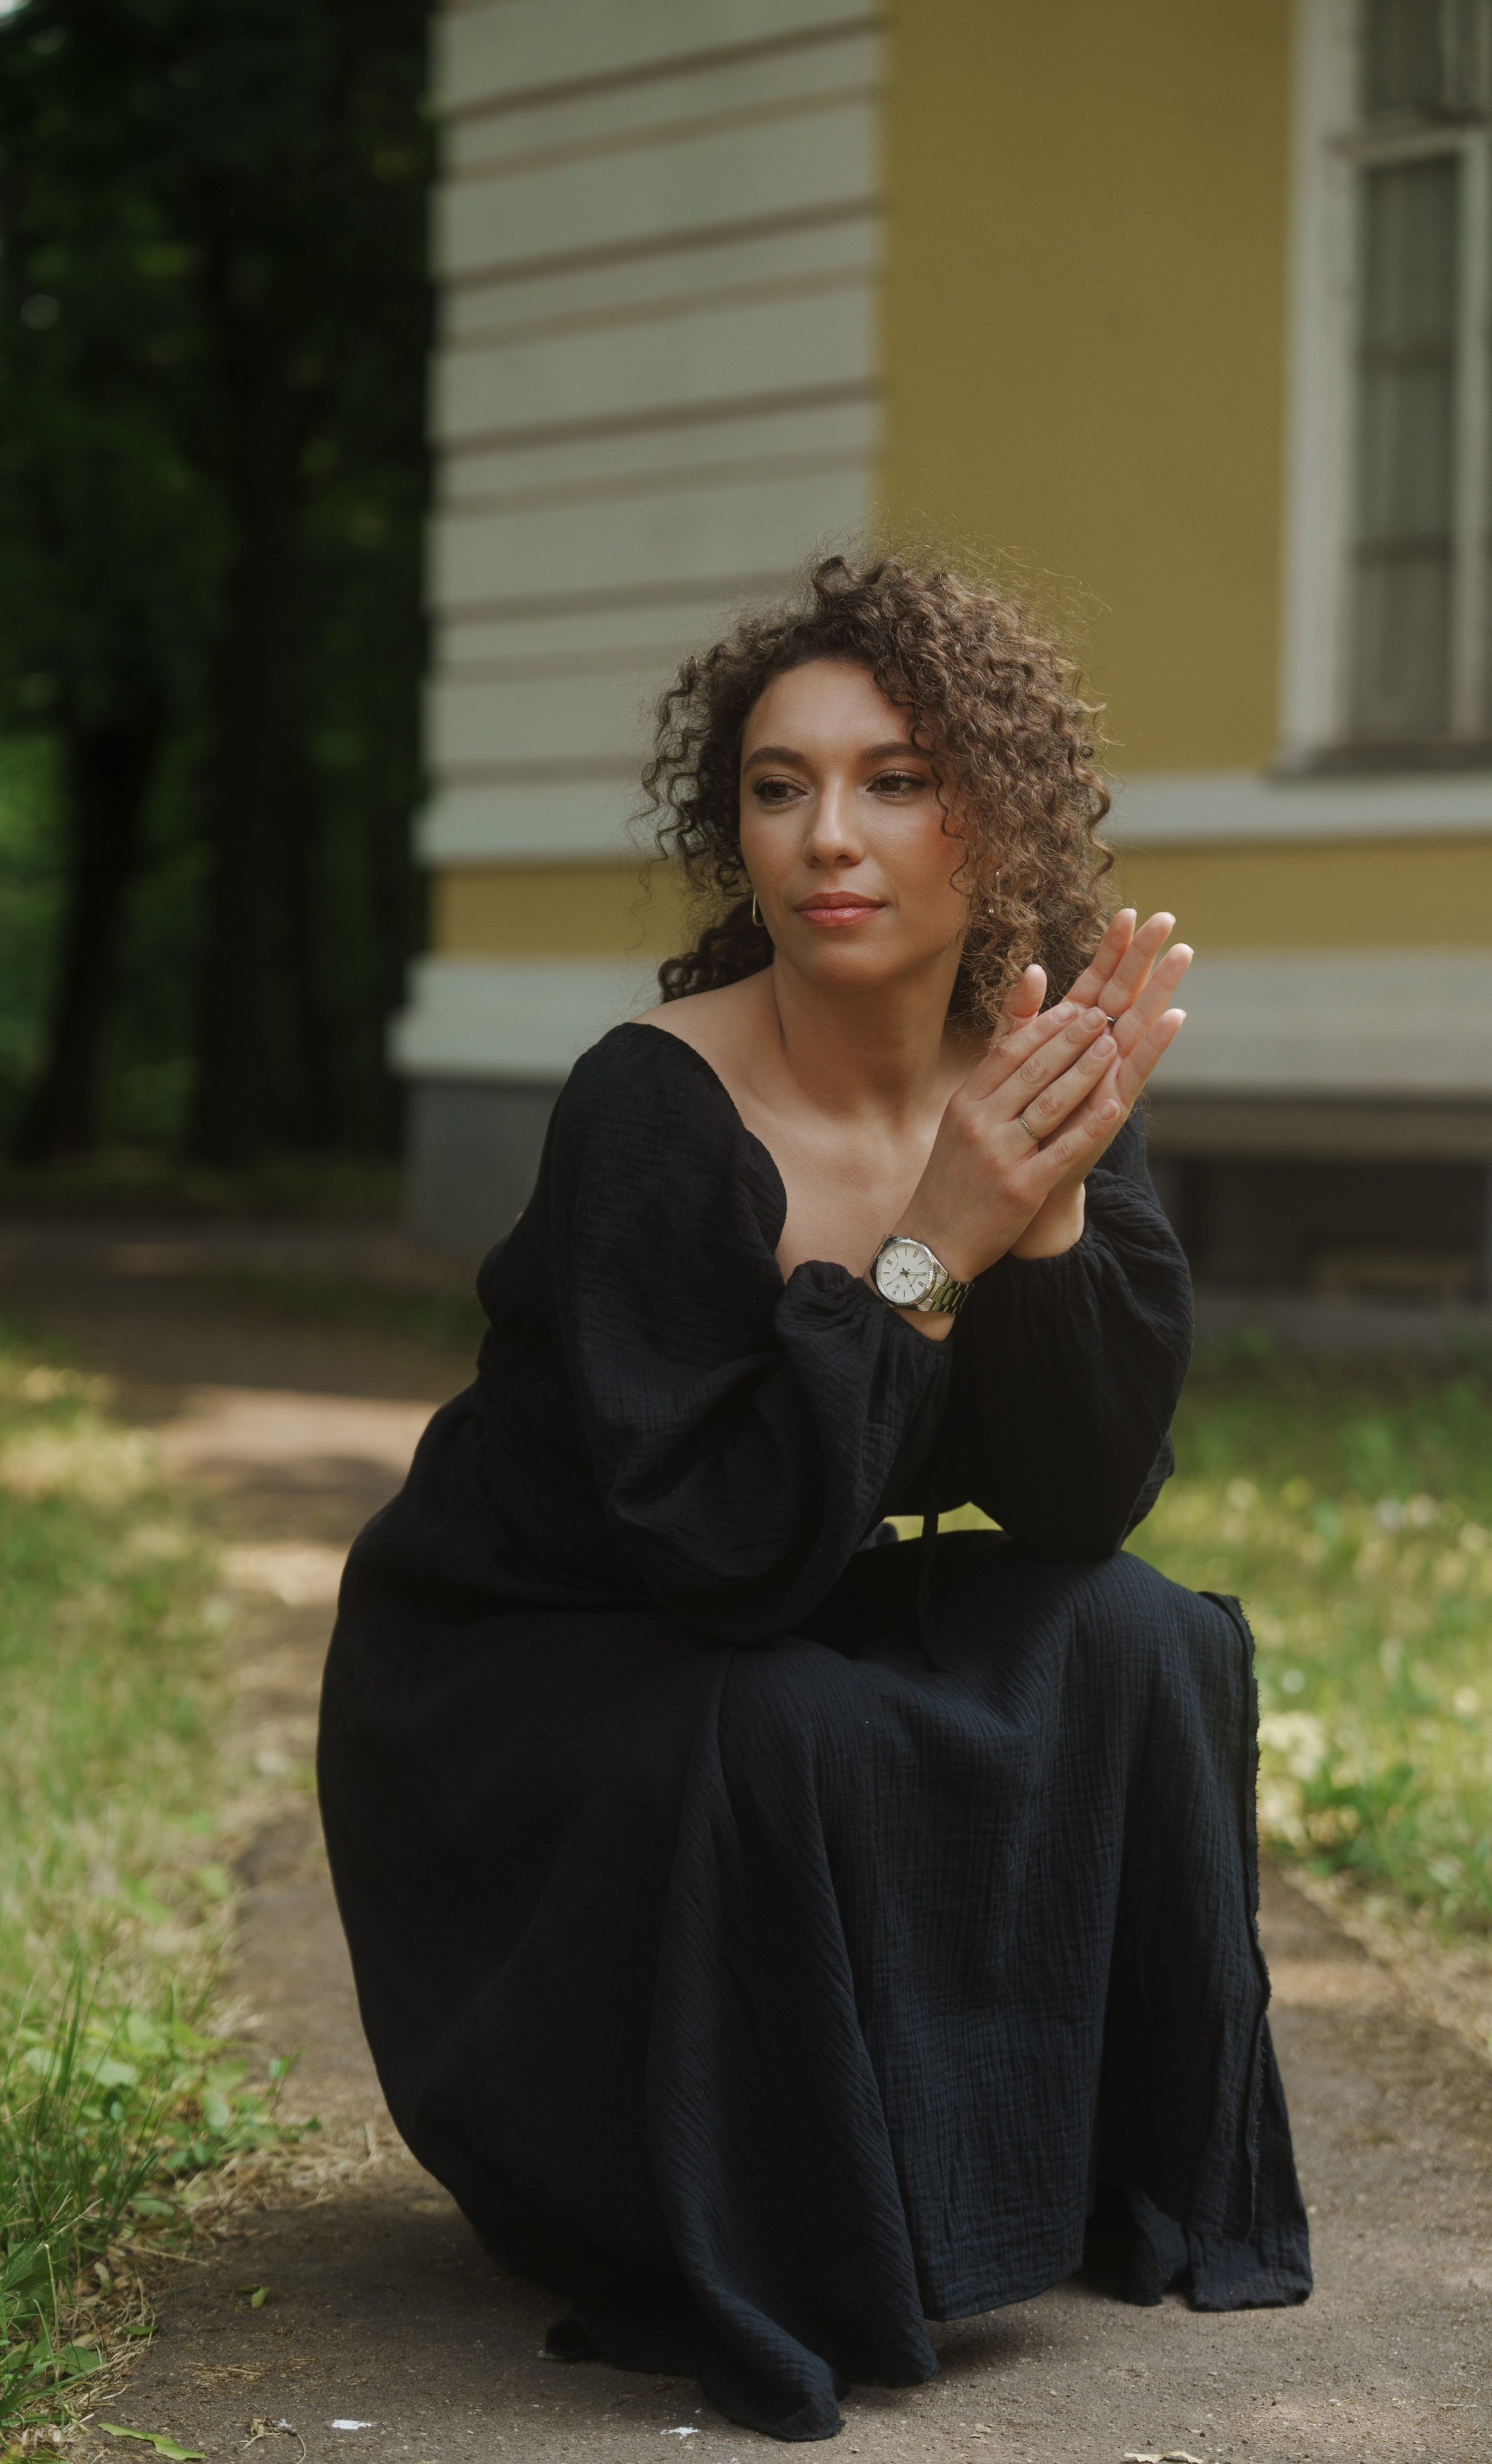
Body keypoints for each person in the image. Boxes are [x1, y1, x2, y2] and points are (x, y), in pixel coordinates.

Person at [318, 556, 1312, 2445]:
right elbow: (714, 1559)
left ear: (990, 817)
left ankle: (1067, 2177)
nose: (827, 838)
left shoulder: (1032, 1085)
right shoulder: (651, 1110)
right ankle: (786, 2211)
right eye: (779, 787)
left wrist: (1056, 1213)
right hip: (540, 1681)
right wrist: (932, 1252)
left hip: (767, 1605)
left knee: (1142, 1638)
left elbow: (1080, 1509)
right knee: (787, 1716)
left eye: (895, 780)